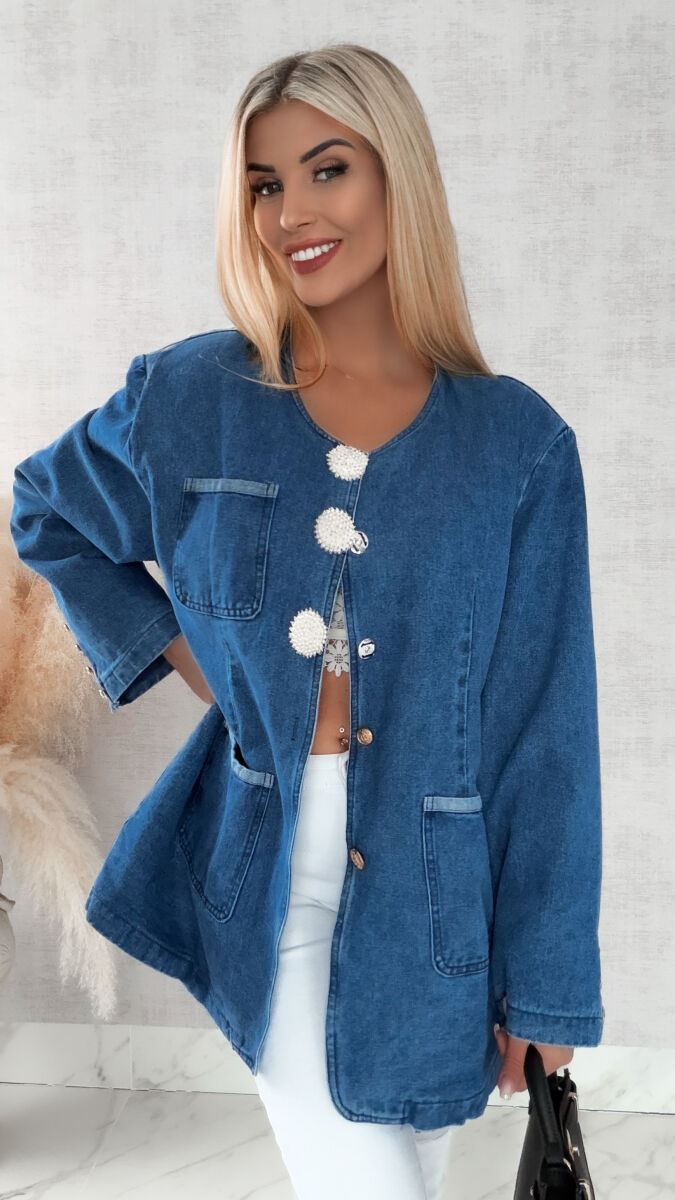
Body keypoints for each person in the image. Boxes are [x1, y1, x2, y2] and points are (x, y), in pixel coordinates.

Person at [10, 43, 604, 1200]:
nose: (292, 214)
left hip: (439, 926)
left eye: (328, 169)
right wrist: (192, 661)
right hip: (261, 896)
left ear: (396, 178)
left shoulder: (518, 446)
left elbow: (548, 740)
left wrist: (545, 990)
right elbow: (47, 510)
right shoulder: (193, 399)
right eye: (263, 184)